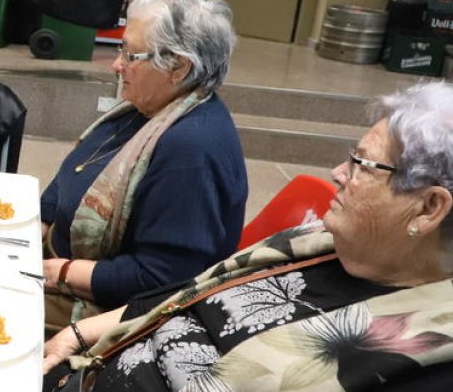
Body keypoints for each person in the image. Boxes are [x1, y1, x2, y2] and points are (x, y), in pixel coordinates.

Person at [42, 81, 453, 391]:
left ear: (429, 208)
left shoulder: (422, 360)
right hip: (89, 368)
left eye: (363, 165)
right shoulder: (316, 242)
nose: (338, 173)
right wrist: (76, 335)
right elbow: (184, 296)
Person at [39, 0, 247, 328]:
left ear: (178, 67)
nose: (116, 65)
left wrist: (61, 271)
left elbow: (162, 280)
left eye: (130, 55)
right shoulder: (149, 107)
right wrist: (38, 224)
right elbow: (77, 169)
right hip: (61, 262)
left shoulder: (192, 150)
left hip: (108, 309)